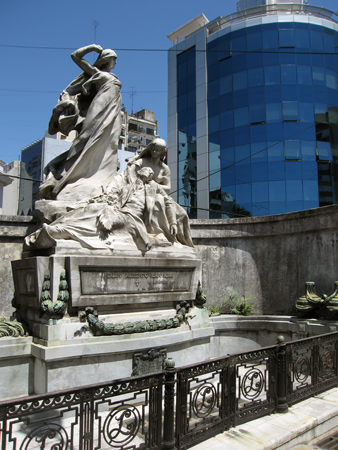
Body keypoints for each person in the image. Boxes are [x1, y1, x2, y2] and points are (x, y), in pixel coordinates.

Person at [38, 44, 122, 203]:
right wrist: (92, 48)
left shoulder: (114, 76)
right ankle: (63, 176)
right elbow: (75, 56)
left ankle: (104, 178)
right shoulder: (96, 72)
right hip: (99, 108)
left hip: (114, 112)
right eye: (113, 60)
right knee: (85, 139)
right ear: (106, 60)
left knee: (111, 144)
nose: (115, 63)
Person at [25, 167, 178, 253]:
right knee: (93, 209)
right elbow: (111, 195)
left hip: (131, 219)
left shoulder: (154, 187)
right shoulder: (128, 186)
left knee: (96, 224)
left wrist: (173, 223)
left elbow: (168, 202)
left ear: (151, 175)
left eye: (148, 170)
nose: (145, 171)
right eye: (143, 169)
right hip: (117, 211)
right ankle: (57, 228)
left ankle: (58, 232)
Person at [126, 138, 194, 247]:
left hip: (159, 192)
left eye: (157, 150)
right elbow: (130, 176)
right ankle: (157, 233)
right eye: (153, 149)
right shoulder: (141, 162)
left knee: (182, 214)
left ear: (162, 152)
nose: (154, 152)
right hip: (141, 192)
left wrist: (154, 185)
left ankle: (176, 237)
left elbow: (168, 188)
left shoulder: (164, 169)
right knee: (158, 201)